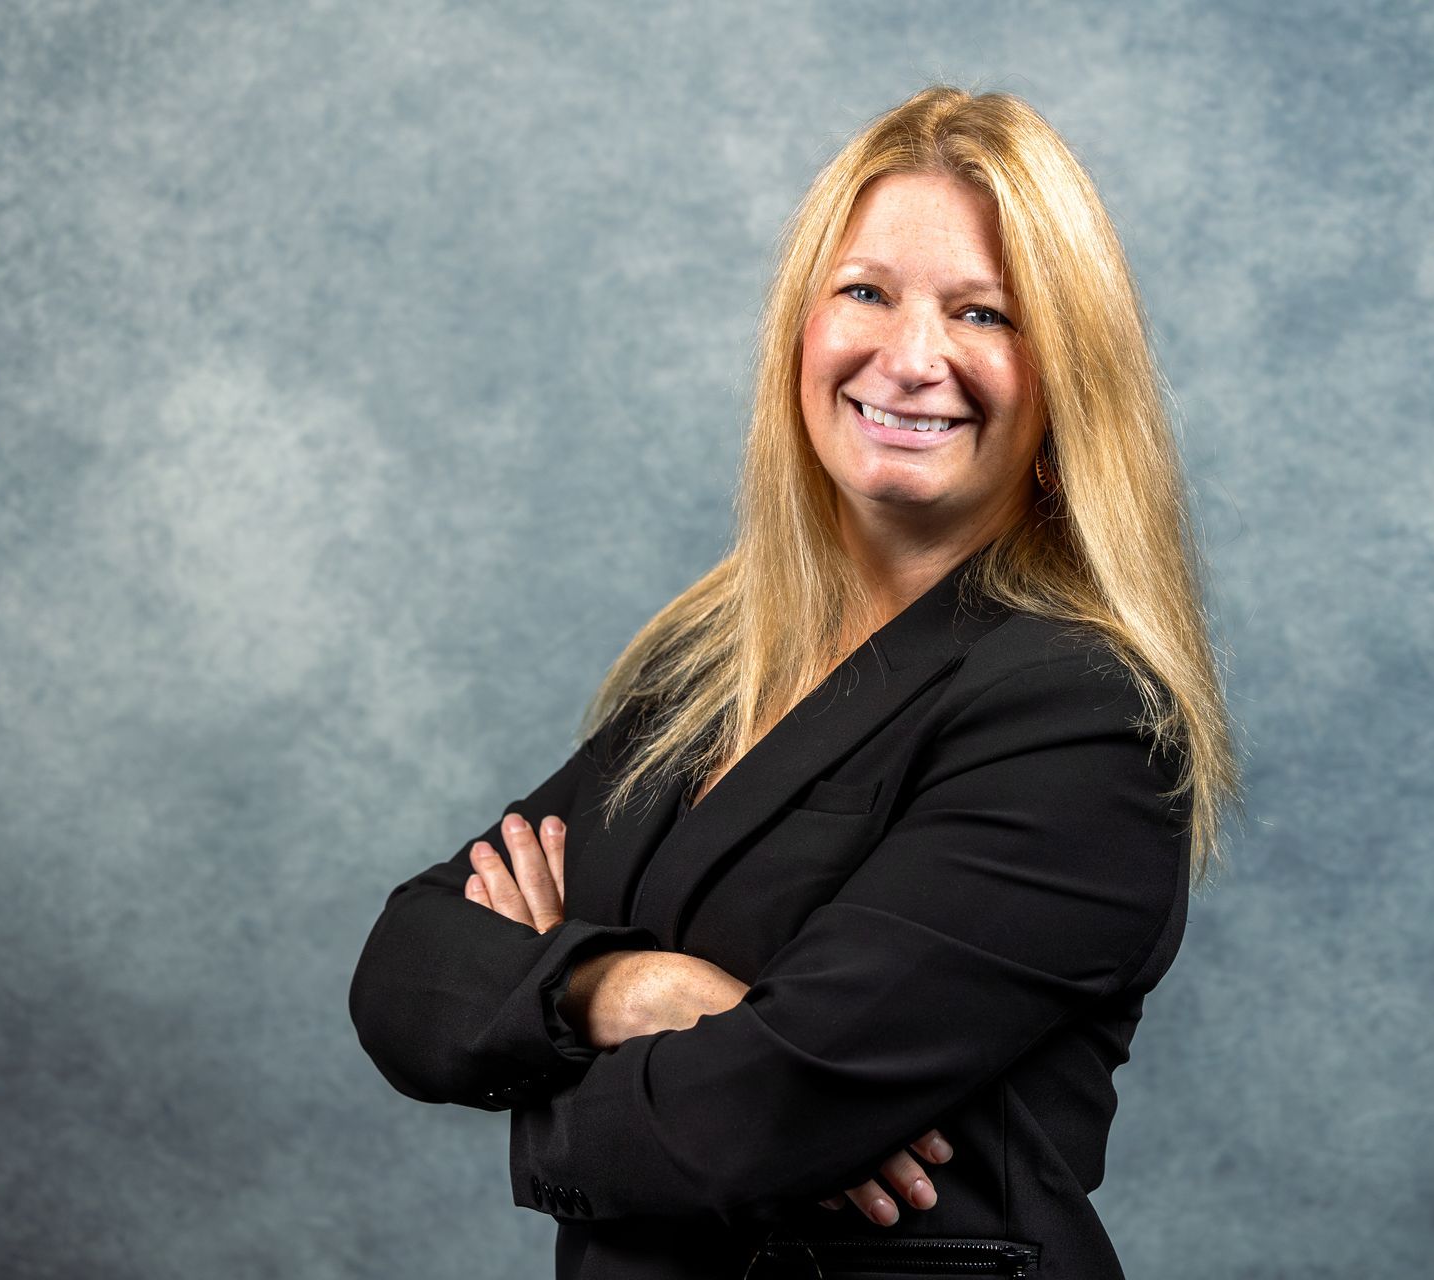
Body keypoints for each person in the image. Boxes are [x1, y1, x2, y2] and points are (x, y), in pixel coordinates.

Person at [349, 84, 1240, 1279]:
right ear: (801, 327)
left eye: (984, 312)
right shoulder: (715, 658)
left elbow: (739, 1127)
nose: (910, 358)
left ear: (1067, 376)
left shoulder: (1080, 712)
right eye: (865, 292)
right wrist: (623, 987)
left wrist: (542, 1009)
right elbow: (407, 962)